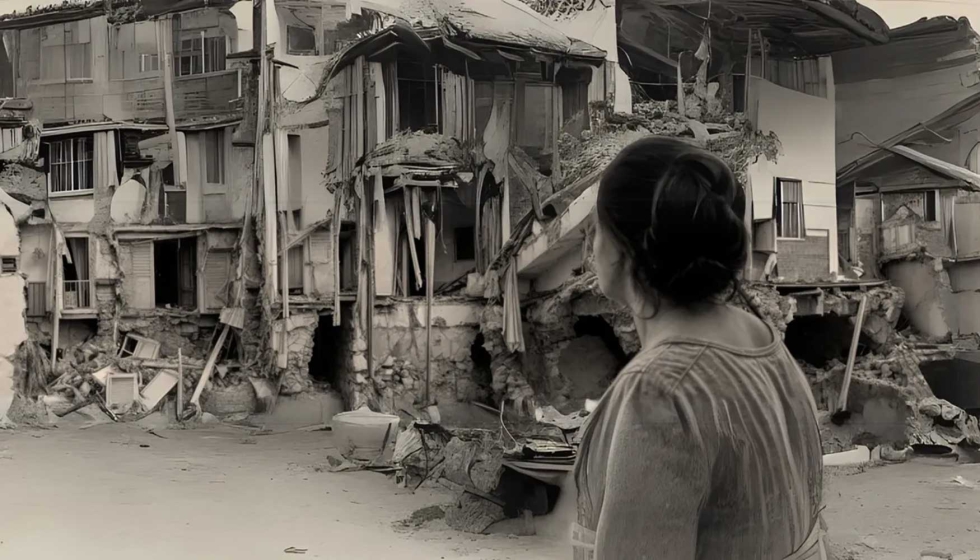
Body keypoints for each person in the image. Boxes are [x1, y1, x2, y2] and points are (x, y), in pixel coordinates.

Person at [572, 137, 827, 559]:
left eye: (596, 228)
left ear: (621, 247)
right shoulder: (759, 339)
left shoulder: (661, 389)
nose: (591, 244)